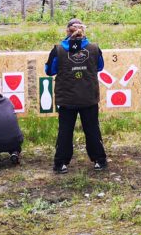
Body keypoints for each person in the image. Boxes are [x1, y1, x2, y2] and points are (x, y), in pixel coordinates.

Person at [45, 19, 107, 173]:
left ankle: (61, 163)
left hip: (67, 99)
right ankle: (99, 160)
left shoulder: (58, 50)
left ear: (67, 31)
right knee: (92, 129)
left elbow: (49, 70)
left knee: (65, 130)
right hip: (88, 97)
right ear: (83, 31)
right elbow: (100, 66)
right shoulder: (94, 48)